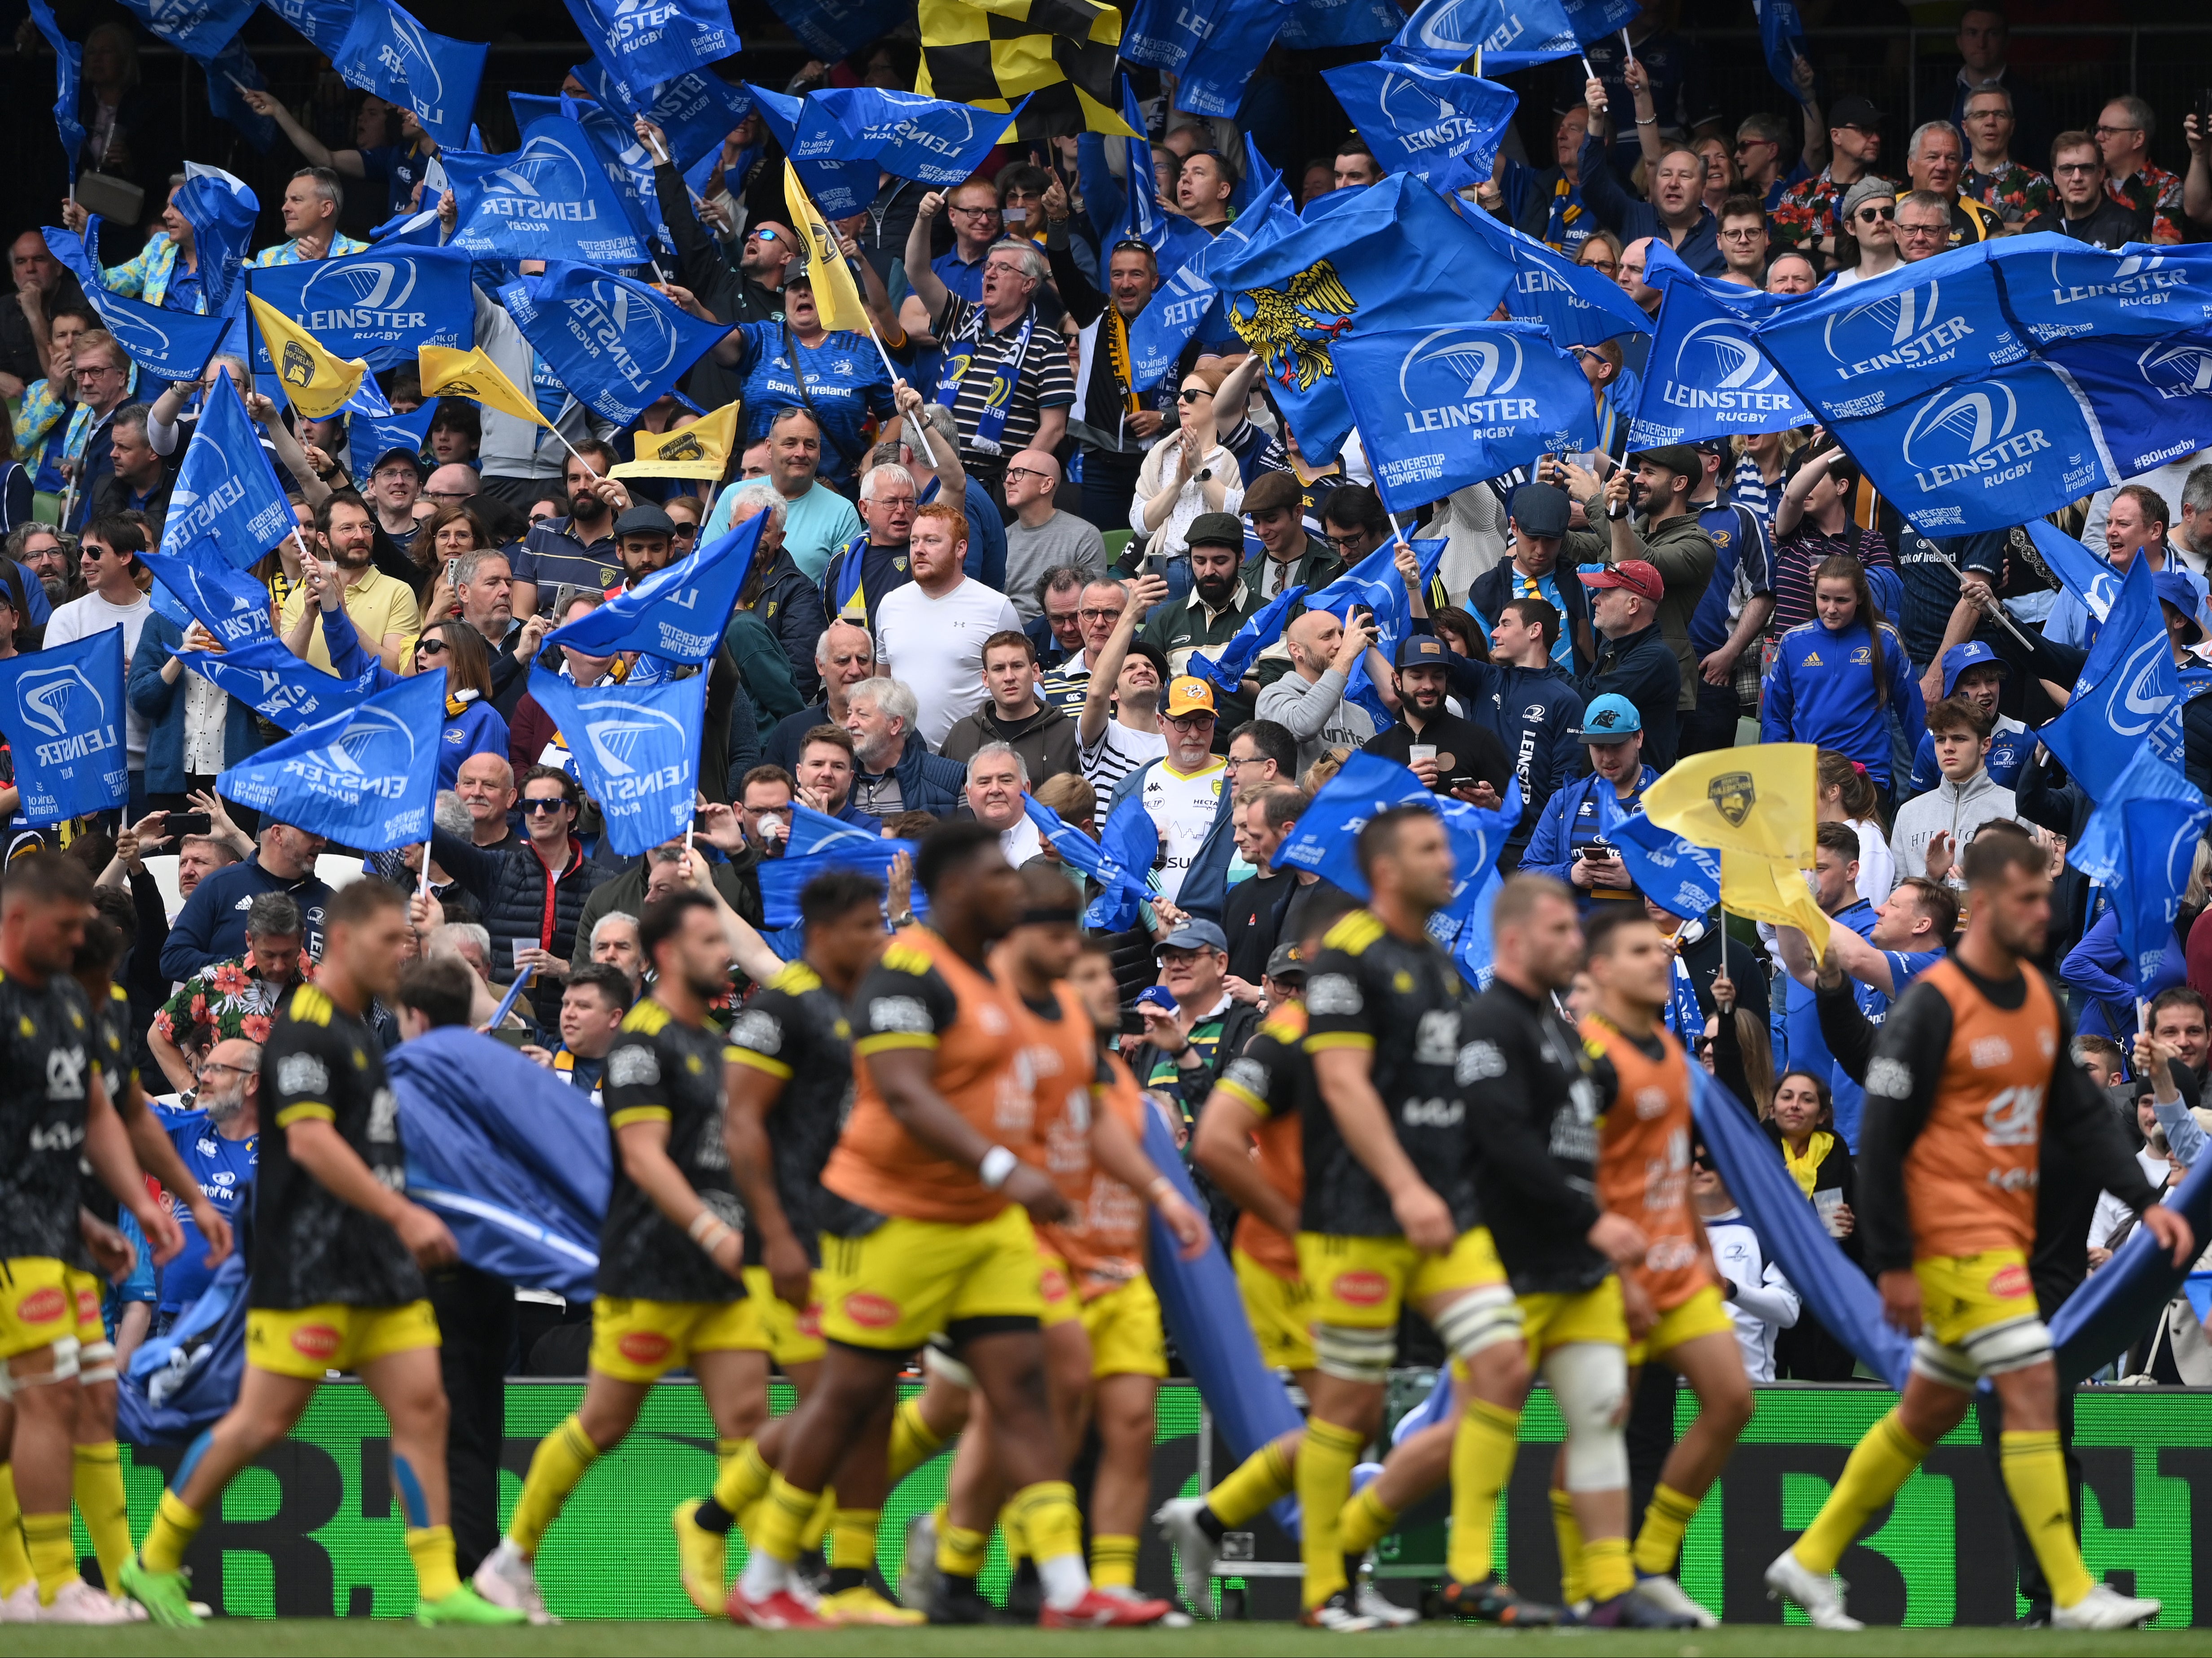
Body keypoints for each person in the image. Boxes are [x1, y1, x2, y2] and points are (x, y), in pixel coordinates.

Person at [727, 824, 1168, 1628]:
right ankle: (764, 1577)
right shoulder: (907, 971)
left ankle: (1067, 1591)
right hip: (892, 1213)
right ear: (960, 889)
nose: (1014, 888)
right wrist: (1006, 1168)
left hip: (986, 1225)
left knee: (1025, 1389)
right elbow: (904, 1093)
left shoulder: (1004, 981)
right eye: (999, 875)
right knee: (850, 1398)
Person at [1766, 828, 2188, 1632]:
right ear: (1986, 905)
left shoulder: (2034, 997)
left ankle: (1809, 1557)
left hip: (1994, 1242)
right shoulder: (1930, 1004)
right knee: (2030, 1389)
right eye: (2029, 899)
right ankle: (2067, 1593)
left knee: (1925, 1413)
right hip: (1950, 1242)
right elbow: (1883, 1135)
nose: (2044, 912)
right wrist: (1890, 1263)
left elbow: (2078, 1115)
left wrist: (2146, 1197)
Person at [125, 879, 518, 1627]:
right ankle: (152, 1560)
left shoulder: (354, 1031)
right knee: (260, 1424)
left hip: (375, 1268)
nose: (401, 952)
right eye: (387, 940)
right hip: (308, 1268)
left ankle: (440, 1590)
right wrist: (402, 1212)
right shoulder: (303, 1031)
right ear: (341, 942)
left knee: (425, 1407)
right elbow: (308, 1142)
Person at [473, 891, 753, 1624]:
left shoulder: (714, 1045)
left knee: (747, 1420)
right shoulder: (643, 1044)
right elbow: (643, 1159)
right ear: (666, 957)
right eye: (704, 939)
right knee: (603, 1421)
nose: (721, 951)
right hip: (655, 1265)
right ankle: (512, 1559)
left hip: (719, 1275)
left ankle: (745, 1575)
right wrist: (714, 1233)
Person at [1452, 873, 1685, 1626]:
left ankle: (1608, 1588)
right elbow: (1503, 1139)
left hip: (1572, 1261)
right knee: (1493, 1409)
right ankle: (1462, 1571)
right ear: (1516, 940)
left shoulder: (1558, 1027)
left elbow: (1576, 1146)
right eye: (1559, 931)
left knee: (1596, 1411)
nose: (1572, 945)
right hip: (1503, 1255)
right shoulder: (1487, 1019)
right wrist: (1591, 1221)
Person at [670, 871, 904, 1623]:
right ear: (824, 932)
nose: (878, 938)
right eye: (866, 926)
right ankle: (771, 1553)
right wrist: (773, 1235)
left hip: (853, 1233)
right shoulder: (780, 1007)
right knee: (833, 1403)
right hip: (789, 1240)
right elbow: (742, 1127)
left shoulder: (858, 1006)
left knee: (860, 1405)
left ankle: (841, 1575)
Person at [0, 855, 180, 1624]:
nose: (79, 942)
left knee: (48, 1400)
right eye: (67, 928)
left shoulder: (71, 1011)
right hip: (16, 1235)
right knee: (48, 1395)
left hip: (55, 1229)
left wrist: (124, 1210)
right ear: (19, 922)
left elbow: (103, 1117)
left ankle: (33, 1584)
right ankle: (48, 1583)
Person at [1564, 908, 1751, 1627]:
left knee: (1730, 1401)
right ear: (1603, 971)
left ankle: (1649, 1564)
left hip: (1679, 1267)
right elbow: (1567, 1176)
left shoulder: (1672, 1054)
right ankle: (1601, 1582)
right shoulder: (1590, 1056)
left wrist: (1701, 1253)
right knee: (1614, 1431)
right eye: (1641, 948)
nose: (1659, 956)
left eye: (1660, 946)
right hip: (1616, 1277)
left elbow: (1670, 1175)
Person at [903, 214, 1073, 499]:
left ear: (1029, 284)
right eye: (989, 267)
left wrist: (1017, 479)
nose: (990, 274)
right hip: (939, 474)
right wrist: (923, 218)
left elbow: (1054, 428)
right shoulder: (960, 319)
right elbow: (917, 271)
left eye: (1003, 268)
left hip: (996, 484)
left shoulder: (1048, 343)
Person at [1558, 446, 1717, 729]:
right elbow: (1569, 546)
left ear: (1679, 484)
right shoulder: (1638, 531)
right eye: (1639, 470)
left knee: (1647, 770)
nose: (1638, 479)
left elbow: (1638, 566)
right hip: (1612, 668)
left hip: (1657, 685)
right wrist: (1550, 499)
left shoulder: (1698, 544)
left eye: (1649, 472)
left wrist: (1598, 503)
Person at [1761, 556, 1925, 802]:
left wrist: (1930, 775)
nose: (1831, 608)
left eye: (1842, 600)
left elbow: (1913, 715)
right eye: (1824, 598)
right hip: (1810, 777)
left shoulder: (1886, 640)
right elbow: (1775, 719)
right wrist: (1774, 776)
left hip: (1867, 777)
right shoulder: (1793, 641)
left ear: (1859, 598)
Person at [431, 767, 610, 983]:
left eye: (551, 805)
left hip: (572, 1012)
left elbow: (616, 965)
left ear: (571, 812)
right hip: (507, 1011)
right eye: (530, 806)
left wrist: (567, 969)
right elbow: (443, 844)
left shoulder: (604, 883)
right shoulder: (498, 869)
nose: (540, 813)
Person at [872, 502, 1021, 749]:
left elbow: (1025, 686)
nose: (919, 550)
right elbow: (882, 681)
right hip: (905, 758)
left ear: (961, 548)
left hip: (975, 759)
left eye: (931, 541)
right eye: (914, 541)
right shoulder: (890, 604)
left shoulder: (996, 608)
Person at [148, 1039, 262, 1333]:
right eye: (205, 1067)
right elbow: (127, 1100)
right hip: (175, 1321)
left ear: (252, 1083)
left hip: (240, 1327)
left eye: (219, 1070)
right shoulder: (189, 1128)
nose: (204, 1077)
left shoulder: (278, 1153)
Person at [146, 891, 307, 1095]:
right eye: (269, 955)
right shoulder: (217, 980)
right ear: (250, 940)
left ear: (302, 939)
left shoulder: (323, 984)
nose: (278, 965)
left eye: (287, 954)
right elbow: (158, 1035)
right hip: (232, 1119)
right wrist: (191, 1096)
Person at [1111, 677, 1235, 912]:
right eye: (1182, 723)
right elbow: (1115, 868)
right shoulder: (1130, 789)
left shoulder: (1241, 781)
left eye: (1203, 722)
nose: (1194, 733)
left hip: (1216, 929)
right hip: (1147, 929)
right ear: (1161, 722)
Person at [1522, 695, 1658, 911]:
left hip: (1642, 937)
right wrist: (1571, 874)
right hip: (1576, 938)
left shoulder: (1671, 801)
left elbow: (1696, 879)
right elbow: (1527, 875)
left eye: (1616, 746)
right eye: (1598, 747)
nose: (1607, 758)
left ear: (1639, 738)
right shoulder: (1565, 800)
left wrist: (1635, 879)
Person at [704, 410, 864, 584]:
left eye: (810, 445)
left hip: (805, 610)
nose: (801, 453)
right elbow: (707, 568)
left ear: (820, 451)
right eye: (790, 443)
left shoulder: (842, 512)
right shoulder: (734, 495)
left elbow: (844, 590)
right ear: (769, 448)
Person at [161, 822, 331, 980]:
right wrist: (247, 968)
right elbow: (173, 959)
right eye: (311, 833)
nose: (322, 842)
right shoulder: (220, 885)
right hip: (228, 1009)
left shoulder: (331, 902)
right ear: (278, 834)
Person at [280, 490, 425, 674]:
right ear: (323, 539)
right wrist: (309, 615)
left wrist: (341, 617)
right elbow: (285, 668)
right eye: (347, 528)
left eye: (366, 527)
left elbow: (395, 669)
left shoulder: (399, 592)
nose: (360, 536)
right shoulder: (299, 597)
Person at [1691, 1154, 1800, 1383]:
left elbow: (1788, 1311)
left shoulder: (1770, 1233)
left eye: (1709, 1160)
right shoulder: (1666, 1233)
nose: (1697, 1169)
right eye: (1689, 1159)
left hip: (1750, 1391)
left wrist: (1731, 1290)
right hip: (1675, 1393)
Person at [1364, 636, 1510, 804]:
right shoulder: (1375, 750)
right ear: (1398, 681)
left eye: (1437, 676)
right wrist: (1396, 790)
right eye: (1417, 677)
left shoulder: (1480, 741)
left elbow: (1521, 820)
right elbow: (1356, 822)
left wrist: (1497, 806)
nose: (1429, 686)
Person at [1770, 443, 1895, 636]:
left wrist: (1836, 579)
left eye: (1814, 479)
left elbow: (1887, 597)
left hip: (1846, 658)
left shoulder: (1870, 541)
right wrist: (1841, 447)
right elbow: (1791, 497)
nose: (1805, 487)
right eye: (1803, 478)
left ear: (1841, 486)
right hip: (1789, 659)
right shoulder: (1793, 531)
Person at [1893, 698, 2022, 883]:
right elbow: (1896, 895)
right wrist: (1931, 877)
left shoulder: (2015, 809)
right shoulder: (1907, 814)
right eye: (1940, 739)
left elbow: (2029, 891)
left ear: (1985, 745)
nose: (1948, 748)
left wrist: (1972, 889)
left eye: (1959, 739)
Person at [1472, 483, 1593, 674]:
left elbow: (1637, 572)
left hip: (1574, 699)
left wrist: (1611, 513)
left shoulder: (1586, 580)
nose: (1541, 550)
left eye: (1551, 540)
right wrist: (1513, 649)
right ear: (1514, 527)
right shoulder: (1486, 589)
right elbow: (1474, 667)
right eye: (1533, 537)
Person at [938, 631, 1081, 785]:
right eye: (999, 669)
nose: (1009, 677)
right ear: (986, 678)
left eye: (1017, 666)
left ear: (1035, 672)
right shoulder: (962, 735)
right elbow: (944, 801)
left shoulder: (1069, 735)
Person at [1074, 576, 1171, 797]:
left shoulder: (1176, 739)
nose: (1143, 670)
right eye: (1130, 669)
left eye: (1150, 667)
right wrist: (1130, 613)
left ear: (1162, 687)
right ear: (1113, 691)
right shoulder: (1102, 735)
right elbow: (1097, 692)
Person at [1258, 605, 1384, 775]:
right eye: (1327, 637)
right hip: (1300, 802)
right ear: (1297, 650)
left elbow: (1374, 775)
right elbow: (1303, 727)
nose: (1340, 644)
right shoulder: (1272, 696)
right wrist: (1345, 658)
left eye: (1342, 634)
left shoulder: (1361, 716)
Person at [1131, 376, 1248, 560]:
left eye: (1191, 395)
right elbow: (1140, 524)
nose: (1180, 401)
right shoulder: (1161, 453)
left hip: (1215, 566)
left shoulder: (1239, 455)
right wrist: (1178, 483)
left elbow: (1244, 517)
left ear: (1218, 402)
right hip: (1167, 567)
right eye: (1180, 395)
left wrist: (1201, 470)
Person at [510, 441, 623, 619]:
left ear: (614, 483)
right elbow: (521, 616)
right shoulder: (541, 535)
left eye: (592, 477)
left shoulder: (630, 545)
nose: (582, 487)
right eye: (574, 479)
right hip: (543, 644)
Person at [1773, 95, 1888, 259]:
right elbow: (1779, 258)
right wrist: (1851, 257)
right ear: (1836, 136)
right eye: (1866, 130)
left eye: (1878, 131)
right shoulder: (1798, 197)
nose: (1876, 139)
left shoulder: (1889, 192)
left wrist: (1816, 244)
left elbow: (1895, 249)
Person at [843, 677, 968, 822]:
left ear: (896, 724)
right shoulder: (838, 778)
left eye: (862, 715)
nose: (850, 724)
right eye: (849, 714)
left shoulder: (949, 779)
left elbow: (969, 843)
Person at [1000, 451, 1105, 618]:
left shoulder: (1084, 536)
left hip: (1059, 631)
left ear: (1046, 485)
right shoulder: (1002, 538)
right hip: (1005, 634)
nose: (1009, 481)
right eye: (1007, 474)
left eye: (1019, 473)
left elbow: (1091, 603)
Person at [766, 622, 878, 774]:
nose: (855, 670)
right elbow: (765, 792)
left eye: (863, 660)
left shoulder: (891, 730)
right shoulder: (790, 731)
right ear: (820, 666)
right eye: (843, 661)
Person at [528, 964, 631, 1100]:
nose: (569, 1014)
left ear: (614, 1017)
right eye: (566, 1004)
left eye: (583, 1006)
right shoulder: (541, 1062)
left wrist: (555, 1089)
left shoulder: (640, 1076)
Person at [2030, 131, 2146, 249]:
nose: (2077, 178)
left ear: (2101, 173)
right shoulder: (2038, 230)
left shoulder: (2126, 227)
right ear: (2055, 176)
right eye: (2067, 169)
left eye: (2086, 168)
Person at [2094, 95, 2184, 243]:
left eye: (2108, 130)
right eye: (2098, 129)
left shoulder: (2166, 185)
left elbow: (2168, 246)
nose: (2098, 137)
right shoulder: (2089, 179)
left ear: (2138, 139)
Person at [1960, 87, 2053, 228]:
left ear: (2012, 127)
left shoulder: (2035, 184)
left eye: (2000, 115)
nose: (1990, 121)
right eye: (1980, 115)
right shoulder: (1951, 180)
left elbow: (2038, 240)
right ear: (1965, 128)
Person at [1902, 122, 1999, 248]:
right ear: (1911, 165)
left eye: (1951, 159)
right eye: (1933, 157)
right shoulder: (1887, 212)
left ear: (1960, 168)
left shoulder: (1985, 221)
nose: (1942, 166)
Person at [249, 166, 369, 267]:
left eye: (296, 200)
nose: (285, 208)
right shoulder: (269, 259)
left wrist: (323, 270)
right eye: (286, 200)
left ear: (326, 209)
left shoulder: (365, 257)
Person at [1827, 179, 1902, 289]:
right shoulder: (1834, 290)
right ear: (1851, 227)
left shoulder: (1919, 275)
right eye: (1868, 214)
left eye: (1888, 212)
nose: (1880, 220)